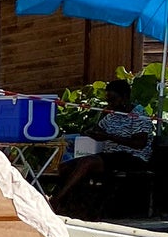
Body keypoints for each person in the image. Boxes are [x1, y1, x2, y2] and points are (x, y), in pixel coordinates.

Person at [50, 80, 153, 212]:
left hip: (133, 157)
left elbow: (140, 143)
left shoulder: (138, 114)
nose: (110, 104)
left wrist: (109, 137)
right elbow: (98, 130)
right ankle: (72, 203)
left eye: (113, 99)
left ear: (125, 97)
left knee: (88, 162)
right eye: (108, 100)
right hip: (111, 155)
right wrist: (91, 133)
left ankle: (57, 199)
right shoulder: (112, 115)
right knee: (66, 166)